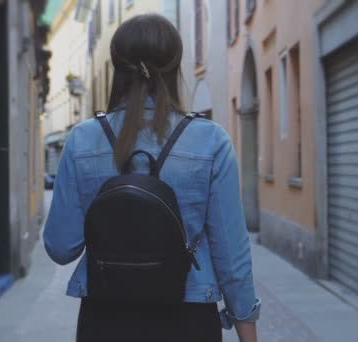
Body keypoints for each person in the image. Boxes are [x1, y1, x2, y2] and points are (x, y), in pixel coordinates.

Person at [43, 13, 260, 342]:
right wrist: (247, 330)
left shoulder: (81, 140)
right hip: (188, 317)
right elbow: (232, 255)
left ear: (117, 67)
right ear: (175, 66)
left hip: (105, 318)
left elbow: (61, 247)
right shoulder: (210, 140)